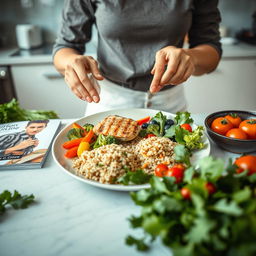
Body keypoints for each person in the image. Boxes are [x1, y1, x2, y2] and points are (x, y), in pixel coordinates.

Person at [53, 0, 222, 115]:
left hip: (170, 104)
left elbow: (210, 48)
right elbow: (65, 47)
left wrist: (191, 57)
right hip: (109, 102)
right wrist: (71, 62)